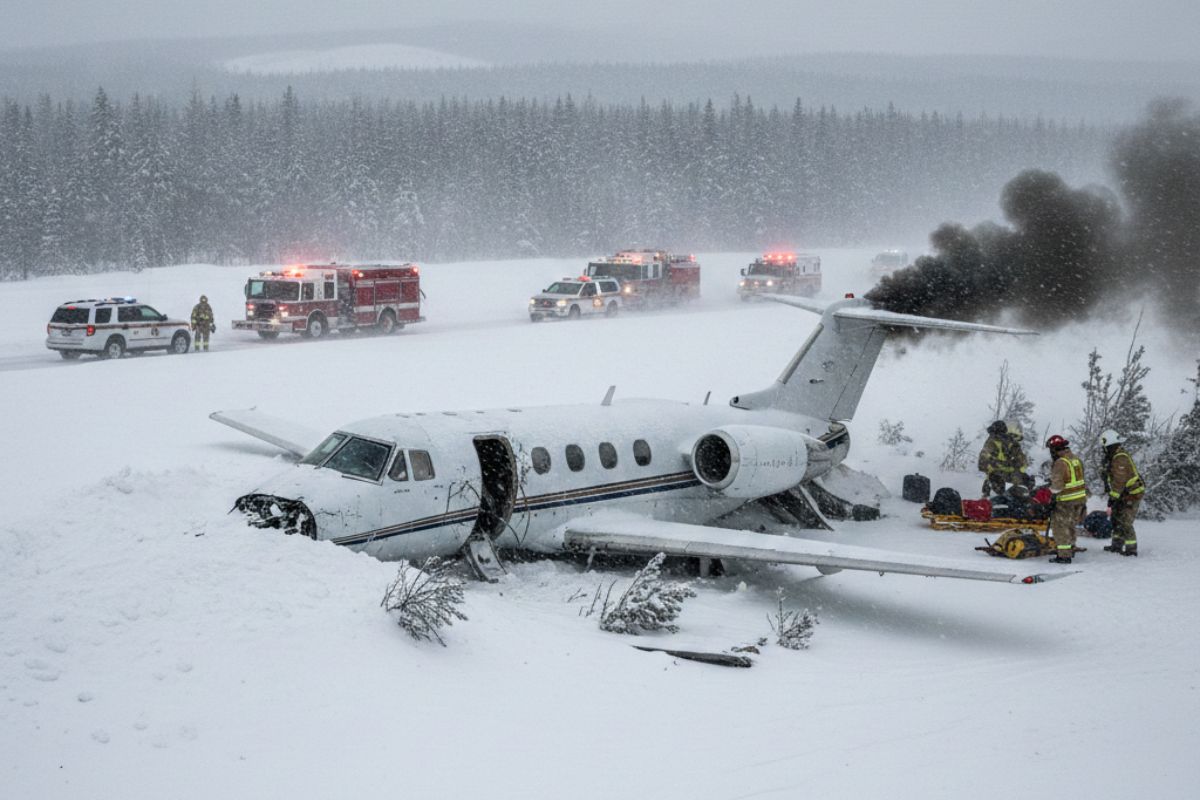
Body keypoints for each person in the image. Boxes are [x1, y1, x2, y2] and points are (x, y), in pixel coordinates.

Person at [1100, 429, 1145, 556]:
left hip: (1132, 493)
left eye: (1104, 447)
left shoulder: (1120, 458)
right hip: (1123, 493)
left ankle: (1131, 549)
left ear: (1109, 445)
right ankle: (1117, 545)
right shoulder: (1115, 457)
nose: (1103, 450)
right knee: (1116, 518)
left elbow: (1119, 480)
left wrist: (1113, 497)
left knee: (1125, 521)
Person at [1045, 434, 1088, 563]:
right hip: (1080, 499)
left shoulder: (1060, 463)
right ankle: (1071, 547)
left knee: (1060, 527)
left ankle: (1064, 555)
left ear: (1055, 449)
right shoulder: (1076, 459)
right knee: (1070, 524)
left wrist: (1050, 492)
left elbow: (1057, 486)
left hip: (1066, 500)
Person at [978, 420, 1019, 496]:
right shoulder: (993, 442)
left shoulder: (1008, 442)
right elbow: (982, 462)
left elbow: (982, 462)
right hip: (998, 477)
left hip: (1004, 476)